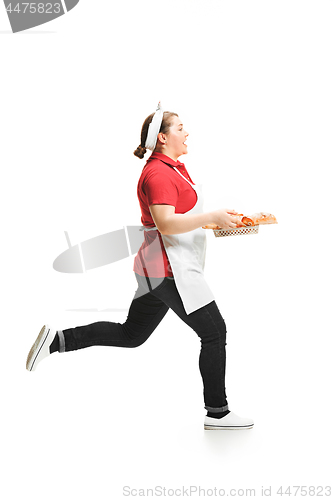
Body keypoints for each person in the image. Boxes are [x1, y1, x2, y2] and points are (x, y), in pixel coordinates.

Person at [26, 103, 254, 431]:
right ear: (162, 137)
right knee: (214, 332)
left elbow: (178, 217)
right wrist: (211, 217)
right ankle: (217, 412)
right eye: (180, 128)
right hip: (167, 270)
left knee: (131, 334)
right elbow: (164, 223)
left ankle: (57, 340)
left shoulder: (172, 167)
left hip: (155, 269)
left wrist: (219, 223)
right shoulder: (159, 173)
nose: (186, 133)